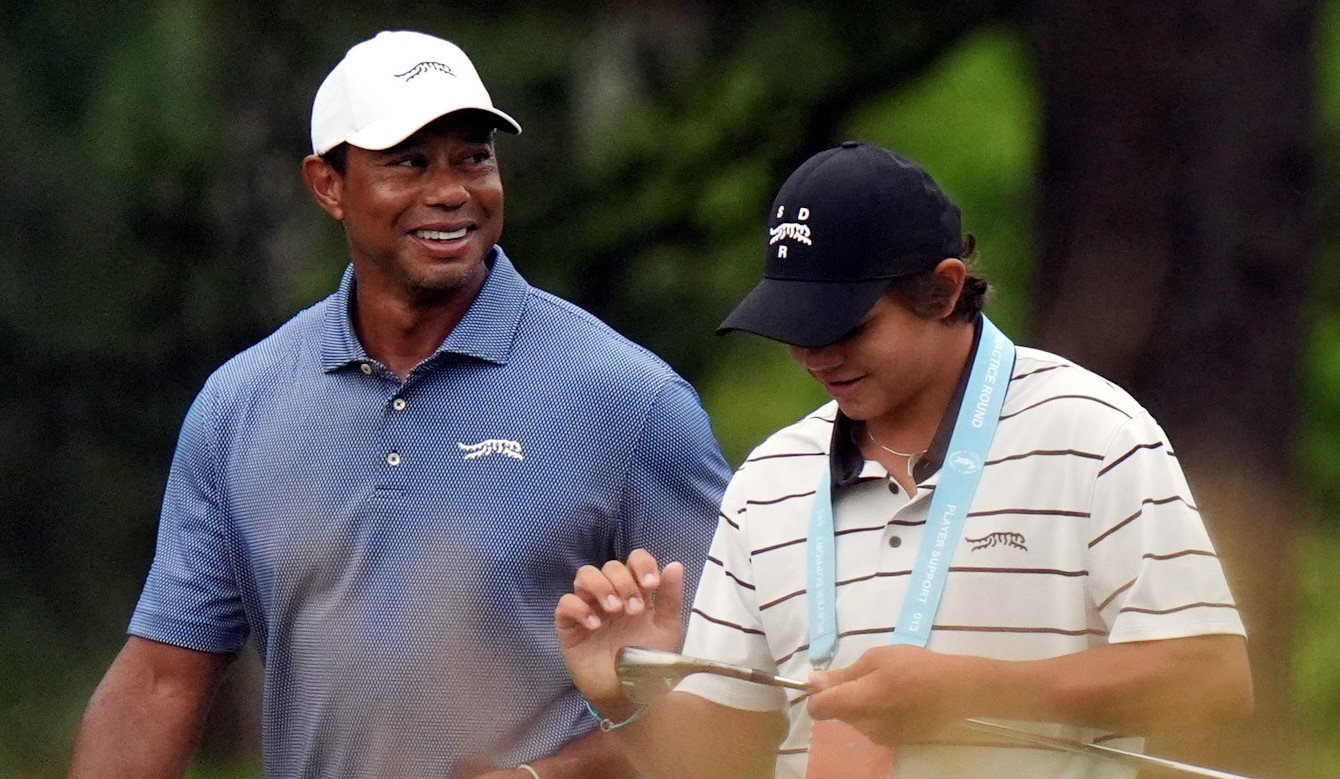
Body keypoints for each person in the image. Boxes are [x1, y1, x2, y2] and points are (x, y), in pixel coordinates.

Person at [69, 30, 729, 778]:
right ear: (327, 185)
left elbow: (736, 695)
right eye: (409, 162)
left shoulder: (631, 403)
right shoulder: (238, 407)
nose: (451, 191)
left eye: (473, 157)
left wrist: (547, 778)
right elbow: (162, 677)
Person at [555, 142, 1253, 777]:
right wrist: (624, 686)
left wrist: (973, 689)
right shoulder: (768, 480)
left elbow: (1214, 680)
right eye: (792, 328)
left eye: (845, 325)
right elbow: (713, 763)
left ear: (945, 288)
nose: (813, 354)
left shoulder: (1094, 434)